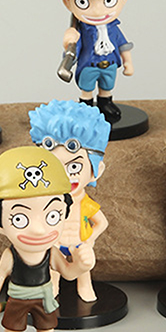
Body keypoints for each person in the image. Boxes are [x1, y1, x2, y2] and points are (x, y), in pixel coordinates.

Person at [0, 147, 73, 332]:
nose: (38, 230)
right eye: (20, 218)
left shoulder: (51, 252)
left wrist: (83, 265)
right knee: (13, 323)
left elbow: (68, 273)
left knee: (47, 322)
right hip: (18, 296)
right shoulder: (10, 255)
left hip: (45, 295)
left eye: (52, 215)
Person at [39, 0, 148, 123]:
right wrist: (68, 42)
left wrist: (128, 62)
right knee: (87, 88)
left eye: (108, 1)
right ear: (67, 2)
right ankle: (86, 107)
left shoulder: (114, 28)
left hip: (110, 65)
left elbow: (123, 45)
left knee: (107, 86)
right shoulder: (80, 30)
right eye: (83, 2)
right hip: (88, 65)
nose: (97, 11)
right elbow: (73, 48)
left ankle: (106, 103)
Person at [29, 100, 111, 302]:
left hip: (78, 244)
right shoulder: (46, 202)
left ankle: (85, 287)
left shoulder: (85, 202)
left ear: (96, 171)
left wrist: (89, 240)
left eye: (74, 167)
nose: (65, 176)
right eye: (56, 167)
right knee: (52, 269)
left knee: (84, 270)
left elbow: (102, 222)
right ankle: (52, 288)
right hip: (55, 244)